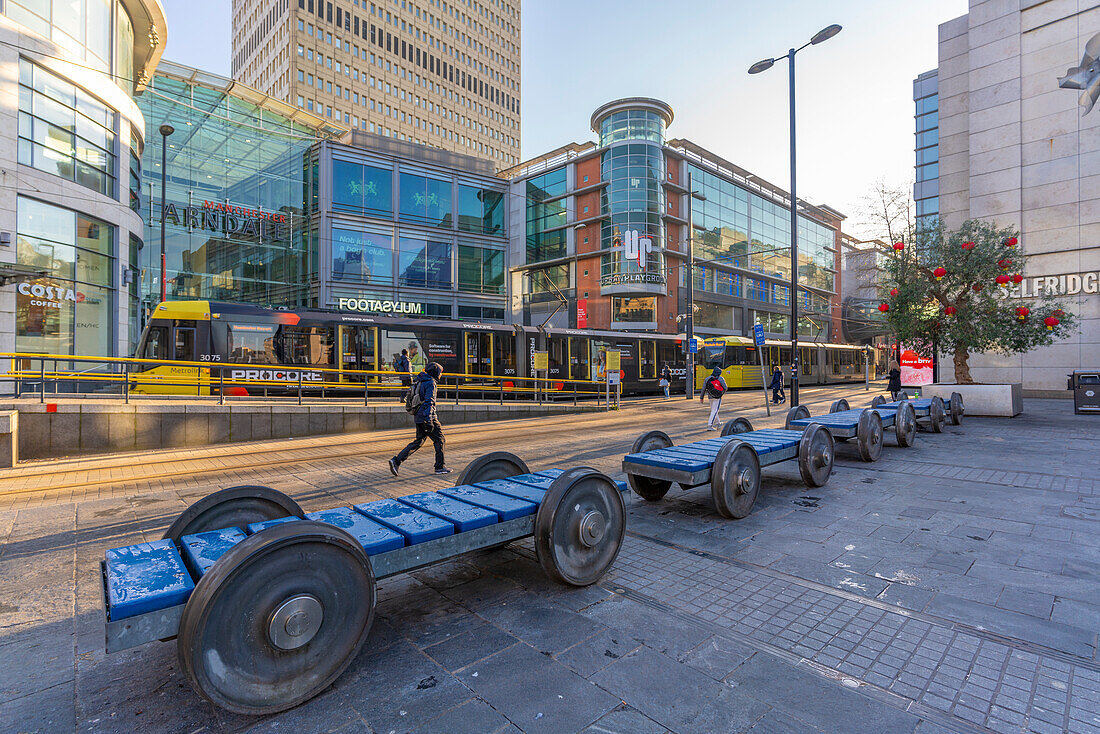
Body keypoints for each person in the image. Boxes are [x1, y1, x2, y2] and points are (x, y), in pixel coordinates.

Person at [389, 362, 451, 476]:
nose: (441, 375)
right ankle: (440, 467)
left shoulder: (420, 380)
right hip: (428, 417)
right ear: (435, 372)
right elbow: (429, 402)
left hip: (418, 417)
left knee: (418, 442)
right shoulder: (431, 383)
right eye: (440, 372)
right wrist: (429, 420)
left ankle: (396, 461)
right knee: (440, 440)